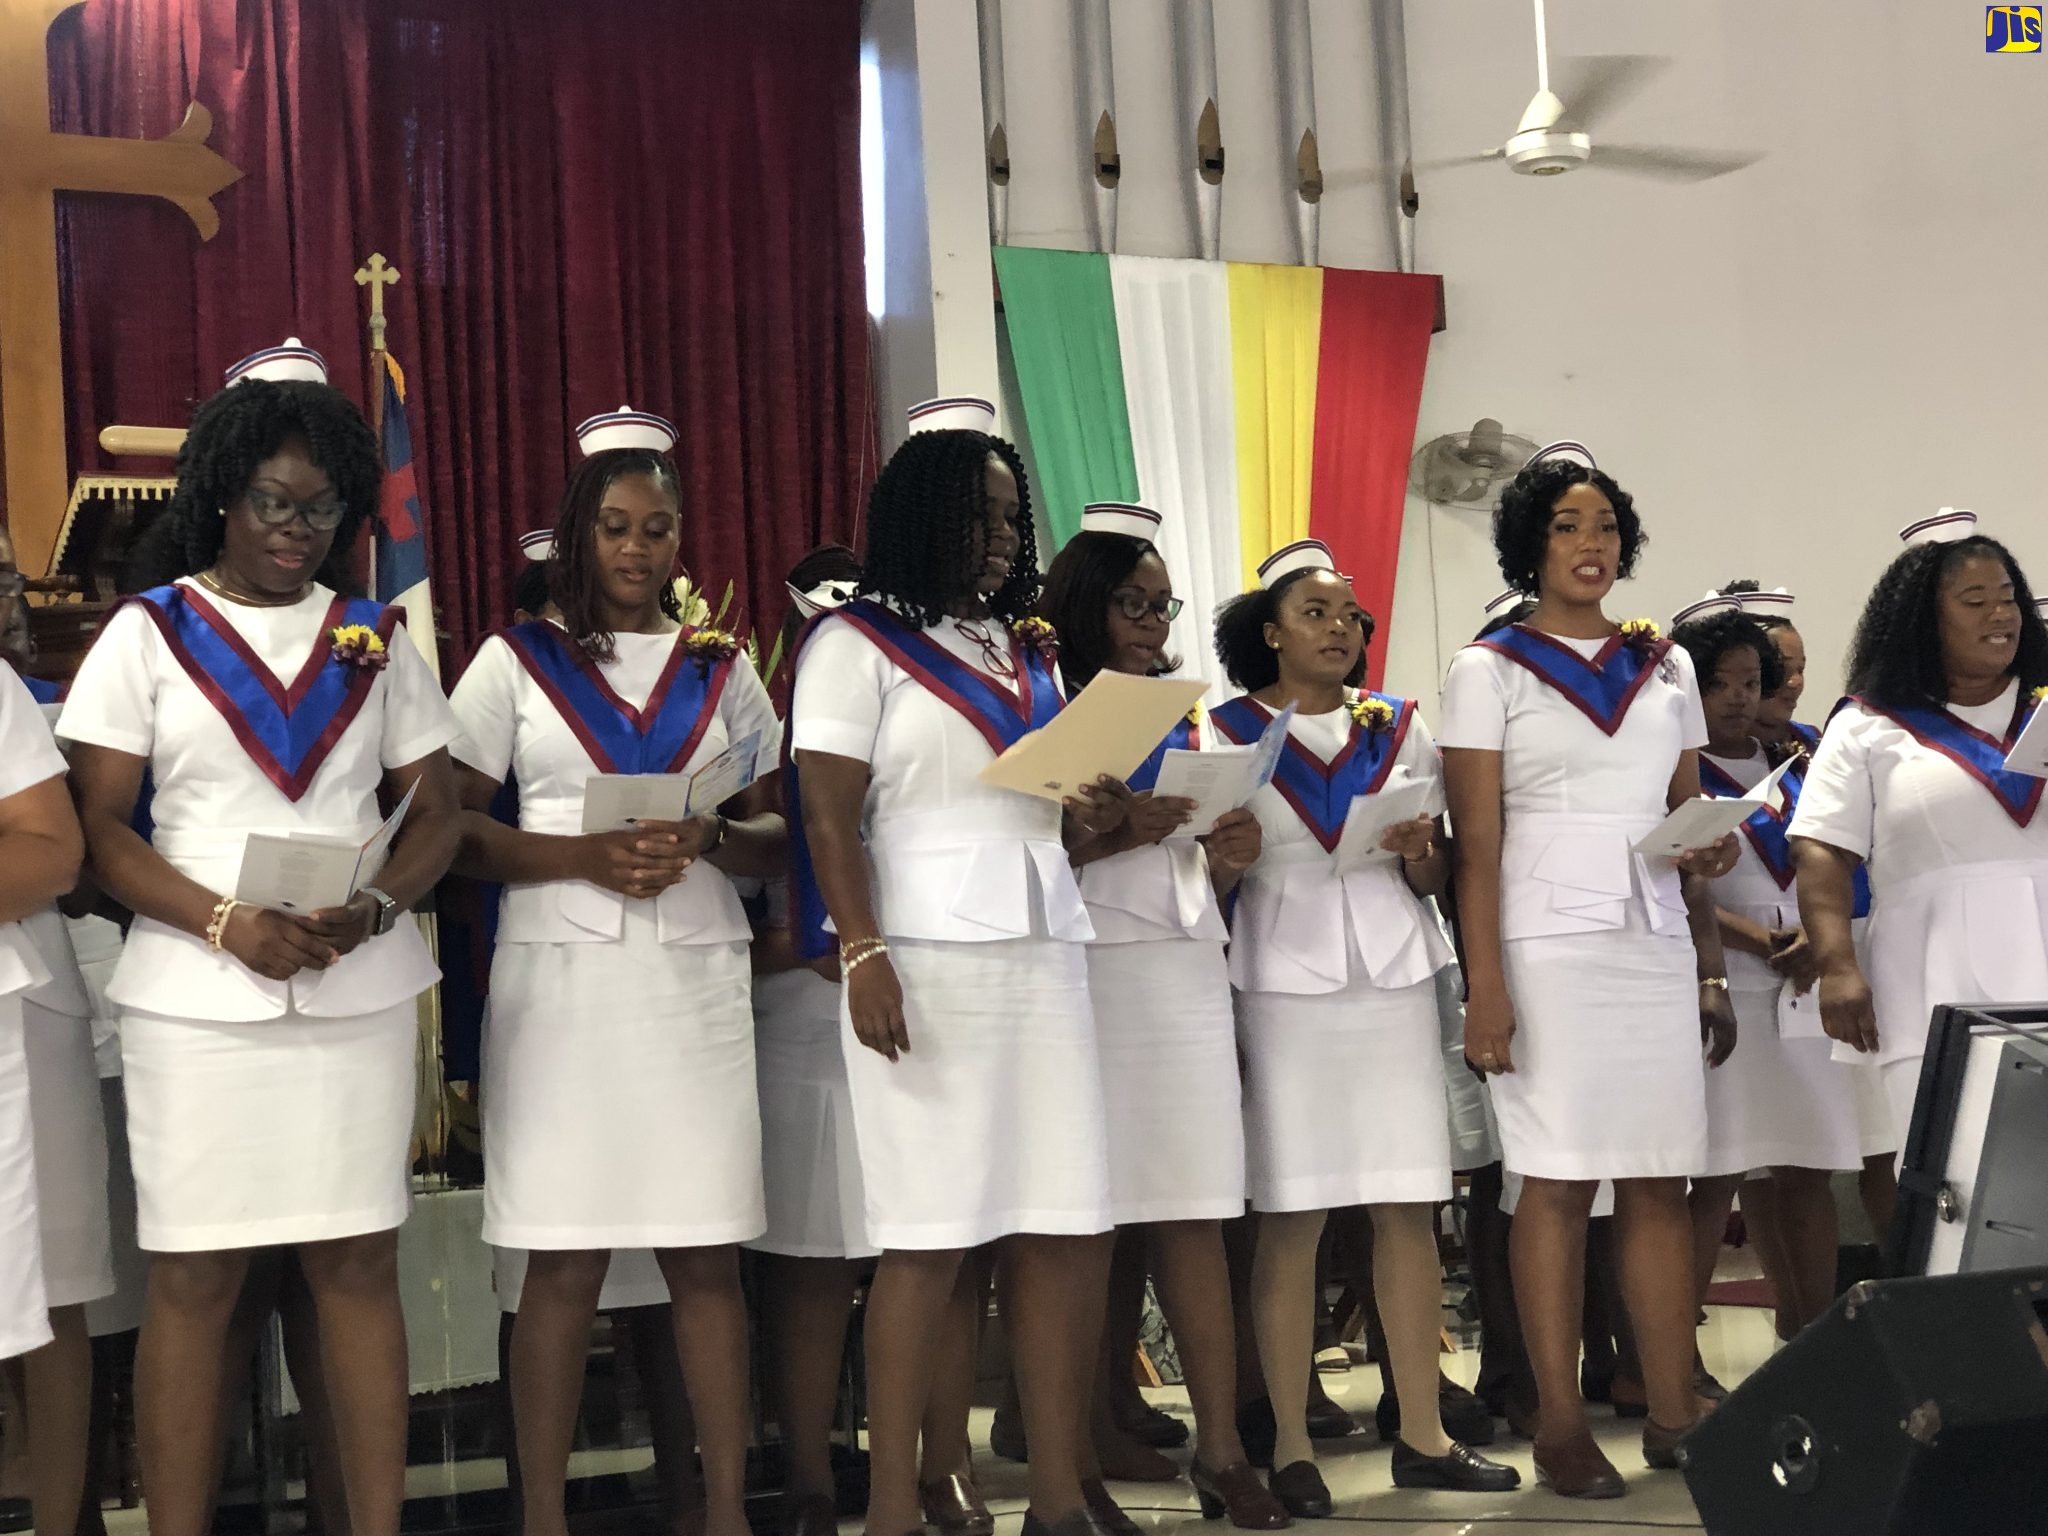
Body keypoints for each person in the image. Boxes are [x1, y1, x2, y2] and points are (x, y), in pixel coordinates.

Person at [58, 339, 463, 1536]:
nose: (296, 527)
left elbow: (437, 810)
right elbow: (99, 829)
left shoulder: (374, 636)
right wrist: (225, 920)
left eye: (321, 505)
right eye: (271, 503)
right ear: (220, 498)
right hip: (198, 996)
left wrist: (380, 904)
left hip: (354, 984)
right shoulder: (148, 633)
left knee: (354, 1265)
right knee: (195, 1276)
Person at [789, 396, 1126, 1536]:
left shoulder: (1022, 649)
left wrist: (1097, 809)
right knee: (928, 1236)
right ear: (920, 516)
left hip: (1045, 948)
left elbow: (1038, 813)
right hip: (921, 958)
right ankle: (893, 1508)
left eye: (1006, 515)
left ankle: (1060, 1496)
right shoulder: (850, 643)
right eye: (976, 515)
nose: (996, 535)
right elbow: (828, 819)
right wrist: (864, 951)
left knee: (1063, 1224)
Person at [447, 407, 784, 1536]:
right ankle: (540, 1518)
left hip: (690, 983)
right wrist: (578, 856)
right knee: (561, 1261)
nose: (637, 552)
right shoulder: (510, 662)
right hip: (560, 989)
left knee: (705, 1255)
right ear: (576, 534)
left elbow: (778, 830)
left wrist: (716, 844)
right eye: (615, 529)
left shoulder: (720, 668)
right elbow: (449, 831)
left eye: (658, 531)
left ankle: (726, 1512)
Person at [1438, 442, 1738, 1500]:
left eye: (1604, 525)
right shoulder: (1486, 668)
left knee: (1659, 1175)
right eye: (1565, 525)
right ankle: (1558, 1421)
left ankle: (1667, 1407)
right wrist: (1485, 986)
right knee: (1556, 1184)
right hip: (1542, 940)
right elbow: (1474, 845)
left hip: (1647, 933)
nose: (1588, 543)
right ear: (1529, 543)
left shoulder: (1664, 663)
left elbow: (1680, 810)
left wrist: (1705, 857)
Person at [1212, 541, 1519, 1512]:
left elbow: (1430, 873)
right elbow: (1202, 875)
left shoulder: (1397, 730)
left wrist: (1424, 856)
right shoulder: (1224, 731)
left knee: (1405, 1205)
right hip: (1282, 972)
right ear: (1269, 633)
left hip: (1388, 970)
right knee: (1292, 1211)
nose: (1337, 629)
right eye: (1314, 613)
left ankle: (1421, 1430)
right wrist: (1227, 856)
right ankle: (1293, 1440)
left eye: (1348, 616)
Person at [1036, 505, 1288, 1531]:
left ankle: (1223, 1448)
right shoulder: (1045, 697)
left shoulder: (1181, 712)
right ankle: (1077, 1441)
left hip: (1181, 968)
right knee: (1085, 1219)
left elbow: (1190, 851)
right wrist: (1110, 835)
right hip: (1084, 965)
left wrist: (1225, 857)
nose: (1148, 621)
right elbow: (1023, 853)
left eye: (1160, 605)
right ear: (1086, 606)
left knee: (1195, 1207)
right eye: (1130, 603)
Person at [1789, 512, 2048, 1150]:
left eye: (2009, 599)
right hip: (1929, 970)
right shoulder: (1868, 723)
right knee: (1951, 1166)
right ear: (1925, 619)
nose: (2001, 615)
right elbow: (1821, 850)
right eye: (1976, 601)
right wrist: (1838, 967)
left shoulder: (2043, 705)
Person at [747, 546, 895, 1536]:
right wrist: (793, 945)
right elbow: (735, 885)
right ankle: (803, 1467)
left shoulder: (917, 695)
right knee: (809, 1261)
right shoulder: (758, 721)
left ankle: (926, 1464)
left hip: (910, 997)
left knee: (921, 1249)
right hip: (801, 1014)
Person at [1669, 596, 1860, 1350]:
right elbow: (1675, 887)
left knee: (1809, 1168)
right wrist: (1753, 940)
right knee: (1717, 1177)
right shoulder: (1680, 771)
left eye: (1753, 680)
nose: (1742, 697)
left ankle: (1813, 1341)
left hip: (1806, 982)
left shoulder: (1803, 758)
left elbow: (1838, 859)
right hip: (1731, 984)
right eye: (1722, 684)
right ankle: (1677, 1360)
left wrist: (1822, 937)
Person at [1721, 581, 1898, 1263]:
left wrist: (1828, 941)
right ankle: (1793, 1324)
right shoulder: (1693, 759)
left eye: (1798, 667)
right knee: (1756, 1162)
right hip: (1746, 970)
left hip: (1830, 961)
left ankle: (1860, 1308)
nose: (1791, 682)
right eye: (1775, 669)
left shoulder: (1817, 748)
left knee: (1843, 1150)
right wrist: (1765, 938)